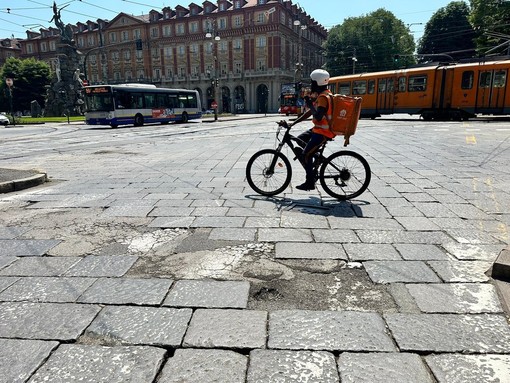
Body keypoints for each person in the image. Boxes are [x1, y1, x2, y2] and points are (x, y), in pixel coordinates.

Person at [289, 69, 334, 191]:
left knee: (305, 155)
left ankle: (310, 182)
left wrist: (309, 103)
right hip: (317, 130)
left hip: (323, 132)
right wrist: (293, 123)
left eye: (312, 82)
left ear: (317, 83)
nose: (311, 84)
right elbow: (310, 113)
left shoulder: (324, 97)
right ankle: (314, 158)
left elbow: (318, 116)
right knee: (299, 139)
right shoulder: (322, 95)